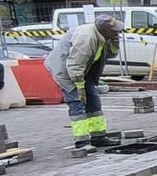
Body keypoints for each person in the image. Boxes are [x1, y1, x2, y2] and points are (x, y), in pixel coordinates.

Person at [46, 15, 123, 149]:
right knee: (78, 102)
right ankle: (81, 142)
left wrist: (115, 44)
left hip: (82, 70)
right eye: (115, 31)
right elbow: (75, 64)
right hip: (66, 71)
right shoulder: (86, 38)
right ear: (105, 30)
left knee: (93, 99)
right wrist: (80, 87)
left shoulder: (103, 36)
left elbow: (109, 55)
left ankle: (98, 137)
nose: (118, 32)